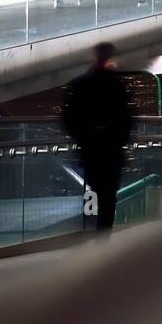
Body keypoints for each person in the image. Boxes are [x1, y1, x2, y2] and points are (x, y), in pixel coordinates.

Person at [61, 42, 133, 236]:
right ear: (111, 58)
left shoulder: (81, 84)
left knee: (98, 189)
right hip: (112, 150)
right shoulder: (116, 85)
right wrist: (119, 139)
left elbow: (68, 118)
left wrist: (83, 138)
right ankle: (103, 236)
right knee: (109, 196)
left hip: (91, 149)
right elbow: (127, 118)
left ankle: (98, 233)